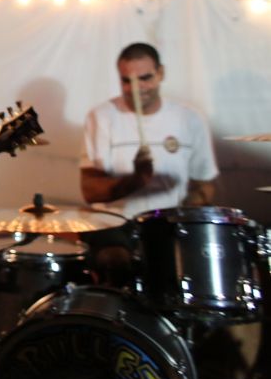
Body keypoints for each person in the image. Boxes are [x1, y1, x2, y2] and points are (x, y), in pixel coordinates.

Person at [79, 42, 219, 286]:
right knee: (115, 259)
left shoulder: (189, 118)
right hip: (115, 222)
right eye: (127, 81)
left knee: (195, 261)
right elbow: (90, 191)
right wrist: (136, 180)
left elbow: (204, 185)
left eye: (145, 78)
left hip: (168, 221)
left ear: (160, 73)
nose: (136, 88)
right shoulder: (101, 116)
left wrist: (185, 212)